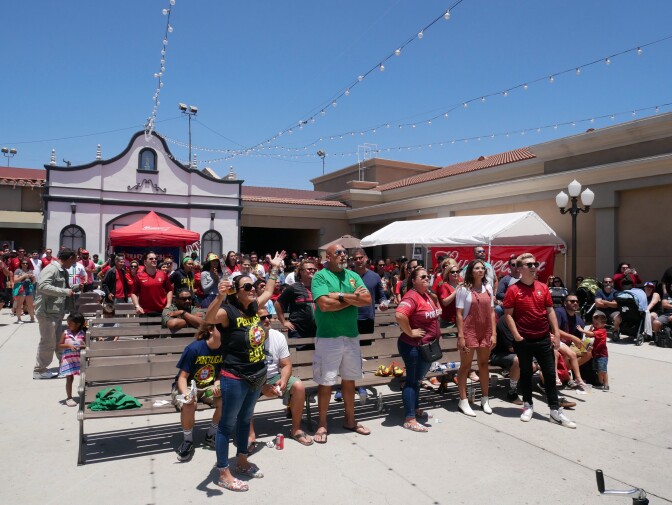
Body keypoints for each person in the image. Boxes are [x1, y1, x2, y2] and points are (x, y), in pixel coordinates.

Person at [204, 251, 285, 492]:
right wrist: (219, 296)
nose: (253, 289)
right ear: (236, 291)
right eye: (247, 286)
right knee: (226, 425)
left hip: (257, 374)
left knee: (245, 419)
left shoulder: (253, 308)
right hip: (235, 376)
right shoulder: (228, 312)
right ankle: (223, 472)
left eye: (253, 286)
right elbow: (208, 319)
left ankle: (241, 460)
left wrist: (274, 268)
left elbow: (269, 291)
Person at [503, 253, 576, 429]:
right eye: (529, 264)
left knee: (550, 375)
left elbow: (550, 311)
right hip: (524, 340)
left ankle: (555, 410)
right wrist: (516, 335)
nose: (533, 266)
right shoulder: (513, 290)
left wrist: (556, 334)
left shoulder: (543, 287)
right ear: (520, 269)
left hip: (543, 339)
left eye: (535, 264)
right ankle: (528, 405)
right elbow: (508, 315)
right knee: (526, 374)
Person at [311, 243, 372, 444]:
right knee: (326, 382)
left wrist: (338, 296)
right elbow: (324, 305)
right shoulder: (320, 276)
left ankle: (350, 420)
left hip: (351, 336)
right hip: (329, 337)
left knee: (349, 379)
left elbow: (366, 300)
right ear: (328, 256)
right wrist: (352, 298)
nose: (343, 255)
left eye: (345, 252)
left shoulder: (353, 276)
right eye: (338, 253)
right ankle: (322, 423)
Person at [249, 307, 313, 447]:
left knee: (298, 386)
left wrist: (283, 380)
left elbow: (286, 365)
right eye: (262, 318)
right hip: (251, 379)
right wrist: (262, 386)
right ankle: (250, 435)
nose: (267, 320)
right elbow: (244, 372)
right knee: (245, 393)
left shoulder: (277, 336)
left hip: (273, 377)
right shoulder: (247, 337)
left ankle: (295, 429)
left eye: (269, 316)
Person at [395, 267, 441, 432]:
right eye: (422, 277)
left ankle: (414, 409)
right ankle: (409, 418)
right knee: (412, 381)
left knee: (417, 381)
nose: (427, 278)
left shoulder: (426, 295)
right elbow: (400, 314)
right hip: (413, 346)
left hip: (426, 347)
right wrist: (410, 331)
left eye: (428, 276)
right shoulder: (412, 296)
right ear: (413, 280)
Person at [172, 323, 223, 462]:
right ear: (211, 330)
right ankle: (188, 440)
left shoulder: (223, 349)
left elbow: (219, 374)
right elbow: (182, 378)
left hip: (208, 387)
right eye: (222, 328)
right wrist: (186, 393)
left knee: (226, 400)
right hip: (187, 385)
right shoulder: (194, 349)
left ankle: (211, 434)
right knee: (189, 404)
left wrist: (217, 383)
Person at [455, 259, 496, 416]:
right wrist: (461, 336)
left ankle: (485, 399)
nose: (481, 270)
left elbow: (492, 312)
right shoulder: (463, 289)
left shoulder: (488, 288)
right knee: (465, 366)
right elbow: (459, 314)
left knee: (484, 364)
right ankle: (463, 400)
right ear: (471, 271)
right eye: (477, 268)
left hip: (485, 330)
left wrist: (493, 333)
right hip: (469, 329)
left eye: (483, 268)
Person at [33, 248, 77, 380]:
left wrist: (74, 288)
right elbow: (43, 286)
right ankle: (39, 370)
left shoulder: (61, 270)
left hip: (55, 312)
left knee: (59, 341)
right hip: (47, 313)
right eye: (73, 260)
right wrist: (64, 292)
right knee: (48, 342)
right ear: (69, 258)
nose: (74, 263)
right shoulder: (52, 269)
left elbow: (60, 288)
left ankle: (63, 366)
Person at [554, 294, 590, 390]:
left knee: (590, 350)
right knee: (567, 354)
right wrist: (572, 337)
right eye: (572, 301)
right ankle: (568, 377)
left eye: (576, 301)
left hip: (569, 345)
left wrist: (583, 344)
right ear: (565, 303)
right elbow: (554, 330)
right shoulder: (559, 312)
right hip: (556, 343)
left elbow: (578, 340)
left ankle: (566, 371)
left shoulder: (579, 320)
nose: (575, 303)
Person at [274, 259, 317, 339]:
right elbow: (278, 304)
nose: (313, 271)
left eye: (314, 269)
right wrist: (284, 321)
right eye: (309, 269)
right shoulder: (293, 288)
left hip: (317, 331)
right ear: (301, 271)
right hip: (298, 332)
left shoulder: (318, 288)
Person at [351, 248, 388, 335]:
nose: (358, 260)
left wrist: (384, 303)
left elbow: (381, 296)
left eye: (361, 258)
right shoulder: (347, 276)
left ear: (366, 258)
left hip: (368, 319)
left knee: (367, 347)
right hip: (350, 319)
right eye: (355, 259)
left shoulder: (375, 276)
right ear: (353, 261)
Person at [57, 312, 87, 406]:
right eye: (68, 323)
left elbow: (87, 345)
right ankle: (69, 397)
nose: (68, 325)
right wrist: (69, 345)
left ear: (78, 324)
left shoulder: (83, 333)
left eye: (70, 323)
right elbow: (59, 345)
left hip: (79, 359)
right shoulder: (65, 333)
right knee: (69, 378)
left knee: (83, 377)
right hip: (68, 360)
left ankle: (82, 392)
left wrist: (81, 346)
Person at [131, 251, 173, 317]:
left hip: (162, 311)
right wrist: (137, 306)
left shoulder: (163, 274)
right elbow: (133, 293)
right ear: (145, 262)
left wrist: (168, 305)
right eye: (151, 259)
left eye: (155, 258)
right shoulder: (138, 276)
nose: (154, 260)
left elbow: (169, 290)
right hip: (145, 312)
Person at [491, 317, 522, 402]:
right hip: (498, 355)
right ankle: (512, 391)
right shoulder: (504, 322)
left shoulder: (523, 319)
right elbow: (512, 348)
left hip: (520, 352)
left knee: (535, 363)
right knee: (519, 360)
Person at [578, 311, 609, 391]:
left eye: (597, 324)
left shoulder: (602, 331)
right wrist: (591, 328)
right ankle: (600, 382)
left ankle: (606, 384)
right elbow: (588, 335)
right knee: (597, 369)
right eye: (594, 323)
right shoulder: (595, 329)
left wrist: (582, 330)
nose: (595, 325)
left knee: (603, 370)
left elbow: (591, 334)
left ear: (603, 324)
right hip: (595, 354)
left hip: (602, 355)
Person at [438, 259, 460, 328]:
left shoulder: (460, 285)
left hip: (460, 321)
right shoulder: (444, 286)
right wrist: (456, 291)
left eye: (457, 271)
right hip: (449, 322)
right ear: (448, 273)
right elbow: (445, 302)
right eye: (452, 272)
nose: (455, 273)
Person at [12, 258, 36, 323]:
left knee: (30, 304)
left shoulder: (30, 270)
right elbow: (15, 280)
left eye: (26, 263)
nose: (25, 264)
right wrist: (24, 276)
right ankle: (19, 319)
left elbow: (33, 282)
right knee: (19, 304)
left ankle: (32, 318)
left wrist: (33, 278)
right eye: (23, 263)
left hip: (29, 287)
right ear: (21, 264)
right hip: (21, 287)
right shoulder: (18, 270)